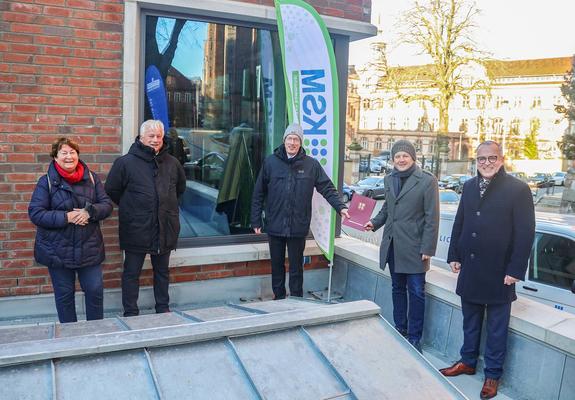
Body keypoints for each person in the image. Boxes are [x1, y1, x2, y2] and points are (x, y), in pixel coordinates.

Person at [439, 141, 535, 400]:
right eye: (481, 159)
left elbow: (525, 234)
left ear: (502, 159)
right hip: (470, 268)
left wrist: (515, 269)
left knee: (496, 329)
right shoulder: (469, 186)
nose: (487, 163)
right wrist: (454, 255)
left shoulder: (518, 189)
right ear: (476, 161)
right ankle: (467, 361)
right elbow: (461, 222)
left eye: (492, 158)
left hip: (500, 273)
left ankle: (492, 374)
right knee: (469, 322)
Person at [251, 123, 349, 299]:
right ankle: (279, 298)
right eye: (290, 138)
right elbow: (258, 193)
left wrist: (341, 207)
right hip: (275, 224)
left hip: (298, 226)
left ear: (300, 142)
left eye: (296, 139)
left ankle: (296, 299)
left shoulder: (311, 165)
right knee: (277, 265)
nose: (292, 142)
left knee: (296, 267)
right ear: (284, 140)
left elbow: (327, 188)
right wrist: (256, 220)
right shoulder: (270, 162)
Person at [364, 139, 439, 353]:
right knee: (397, 289)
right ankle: (400, 329)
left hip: (416, 248)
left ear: (413, 158)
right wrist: (374, 222)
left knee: (416, 292)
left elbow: (432, 218)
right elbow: (388, 208)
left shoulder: (427, 181)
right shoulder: (389, 179)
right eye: (397, 156)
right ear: (393, 160)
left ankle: (415, 338)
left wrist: (428, 248)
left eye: (405, 156)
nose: (401, 159)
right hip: (393, 246)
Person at [105, 120, 186, 317]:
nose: (155, 140)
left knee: (162, 272)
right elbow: (112, 190)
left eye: (159, 136)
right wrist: (134, 208)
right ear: (141, 137)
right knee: (132, 272)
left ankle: (162, 307)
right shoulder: (124, 163)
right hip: (136, 227)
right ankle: (131, 311)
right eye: (151, 136)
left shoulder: (172, 163)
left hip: (164, 226)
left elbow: (180, 189)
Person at [29, 137, 113, 323]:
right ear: (55, 157)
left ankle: (96, 332)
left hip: (89, 247)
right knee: (65, 295)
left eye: (72, 152)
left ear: (78, 154)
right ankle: (70, 337)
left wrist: (90, 212)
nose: (69, 156)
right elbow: (36, 213)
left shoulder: (91, 177)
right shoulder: (46, 182)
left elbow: (106, 205)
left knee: (95, 291)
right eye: (64, 153)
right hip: (57, 251)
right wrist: (67, 217)